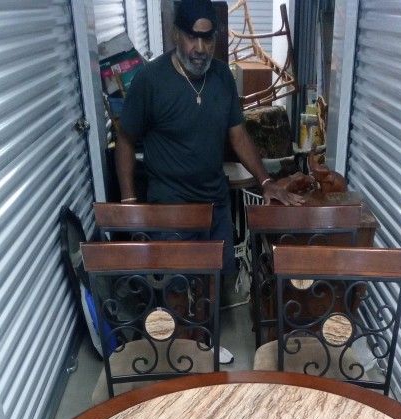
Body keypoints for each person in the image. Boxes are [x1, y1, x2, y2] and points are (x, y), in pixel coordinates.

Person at [115, 0, 303, 360]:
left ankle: (203, 348)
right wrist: (128, 203)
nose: (200, 48)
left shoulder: (221, 77)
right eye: (192, 37)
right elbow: (125, 139)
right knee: (175, 287)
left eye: (208, 38)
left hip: (214, 203)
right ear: (176, 35)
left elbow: (238, 134)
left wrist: (266, 181)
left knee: (211, 284)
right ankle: (178, 356)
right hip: (170, 207)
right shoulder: (150, 80)